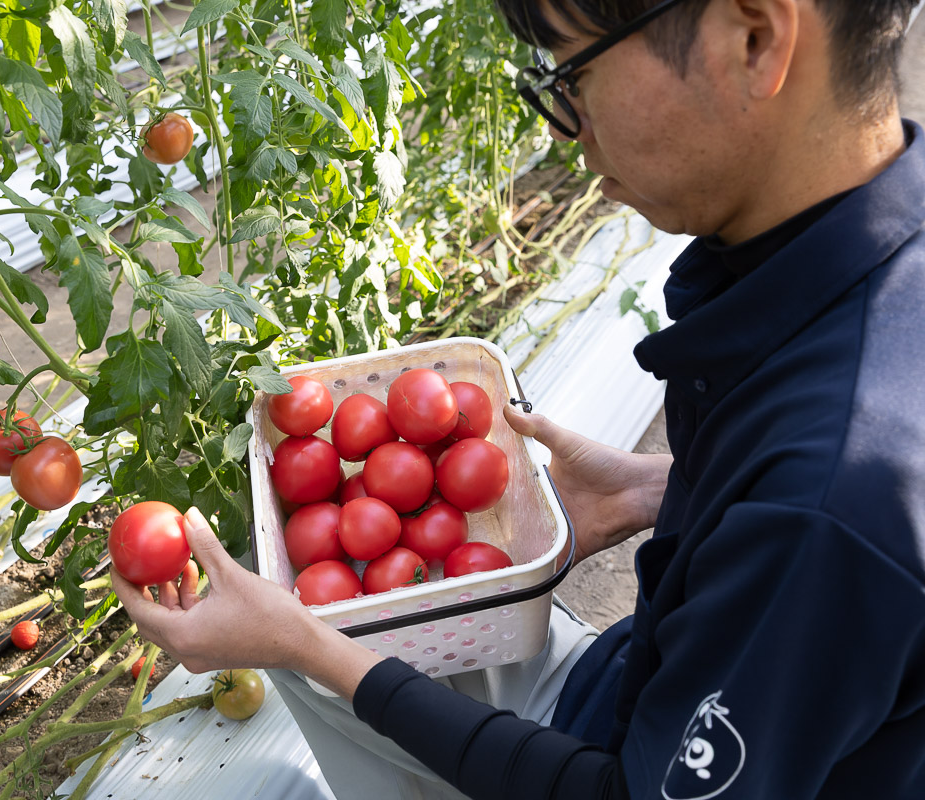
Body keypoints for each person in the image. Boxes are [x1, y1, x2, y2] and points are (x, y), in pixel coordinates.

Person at [113, 0, 925, 796]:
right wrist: (674, 490)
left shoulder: (830, 503)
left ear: (753, 37)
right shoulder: (853, 276)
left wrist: (312, 647)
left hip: (627, 753)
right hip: (648, 689)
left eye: (574, 73)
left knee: (308, 653)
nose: (564, 128)